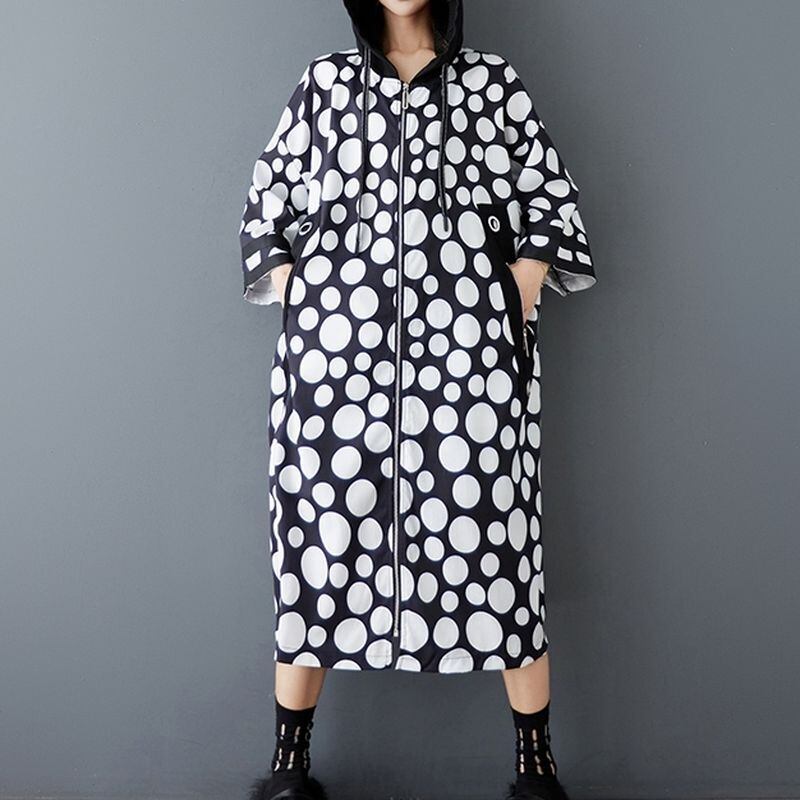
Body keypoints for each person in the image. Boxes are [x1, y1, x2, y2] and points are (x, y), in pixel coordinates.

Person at [237, 1, 597, 798]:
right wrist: (308, 299)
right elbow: (266, 202)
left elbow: (550, 195)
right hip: (337, 373)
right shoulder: (325, 87)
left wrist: (520, 287)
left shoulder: (493, 85)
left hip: (471, 366)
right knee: (320, 540)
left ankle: (536, 768)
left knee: (499, 538)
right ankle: (288, 765)